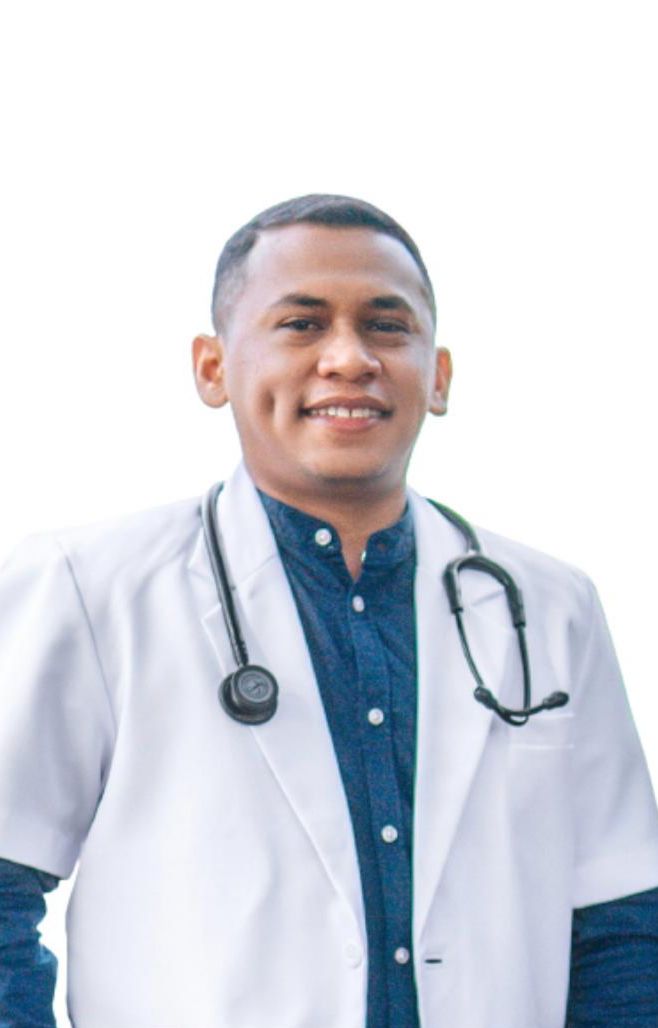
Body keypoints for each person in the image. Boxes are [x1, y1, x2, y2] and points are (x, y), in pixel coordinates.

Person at [0, 194, 657, 1028]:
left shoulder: (549, 607)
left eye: (387, 326)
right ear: (212, 368)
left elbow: (620, 929)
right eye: (302, 324)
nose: (349, 358)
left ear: (439, 375)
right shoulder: (89, 589)